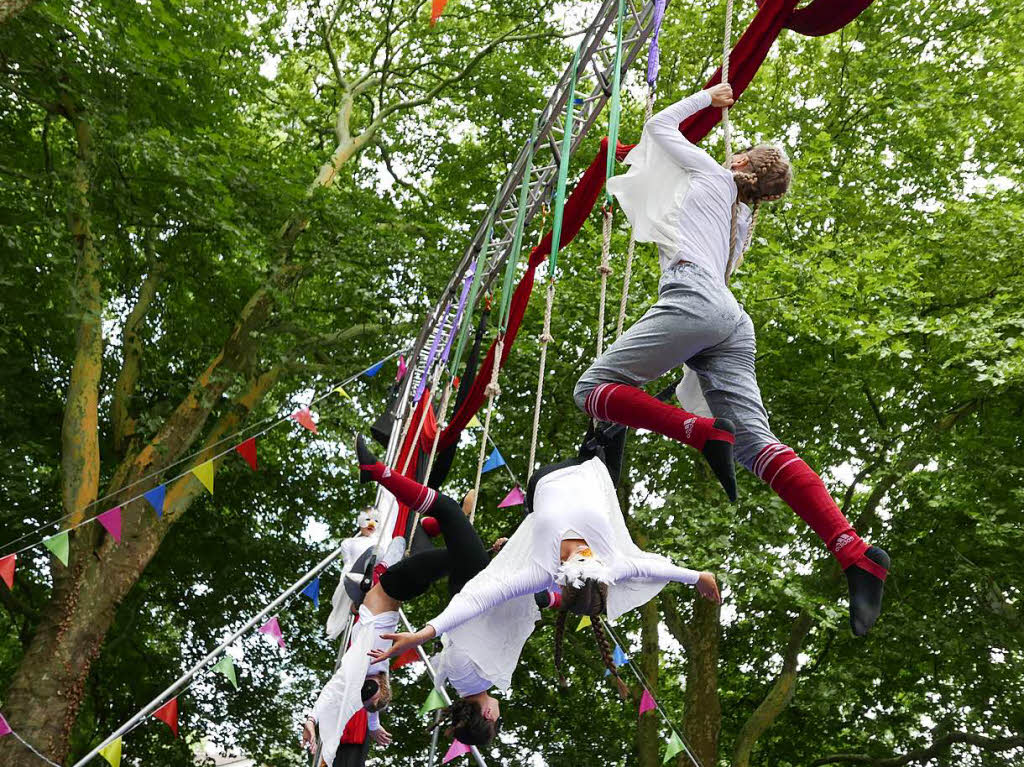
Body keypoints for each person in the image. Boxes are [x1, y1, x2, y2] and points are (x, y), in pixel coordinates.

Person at [572, 82, 889, 636]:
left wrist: (707, 98)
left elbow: (658, 128)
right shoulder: (741, 221)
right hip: (730, 321)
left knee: (592, 390)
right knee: (757, 446)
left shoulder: (716, 177)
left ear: (740, 161)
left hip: (695, 299)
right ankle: (853, 551)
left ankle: (697, 432)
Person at [367, 429, 722, 688]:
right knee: (613, 401)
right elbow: (652, 567)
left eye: (577, 561)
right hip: (596, 473)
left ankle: (380, 474)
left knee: (605, 403)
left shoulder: (540, 571)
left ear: (565, 576)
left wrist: (425, 633)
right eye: (589, 559)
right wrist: (697, 575)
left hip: (550, 478)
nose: (583, 553)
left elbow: (475, 598)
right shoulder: (612, 564)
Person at [303, 436, 525, 761]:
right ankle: (446, 527)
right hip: (415, 588)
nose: (377, 690)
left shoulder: (366, 659)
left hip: (397, 585)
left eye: (373, 693)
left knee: (446, 516)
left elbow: (341, 689)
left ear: (489, 716)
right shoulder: (454, 678)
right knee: (447, 538)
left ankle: (377, 472)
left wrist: (314, 719)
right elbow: (358, 699)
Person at [326, 507, 382, 640]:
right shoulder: (349, 543)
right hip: (355, 573)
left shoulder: (379, 541)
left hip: (373, 575)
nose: (372, 524)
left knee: (376, 550)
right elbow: (348, 564)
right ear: (360, 521)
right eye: (368, 519)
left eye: (375, 520)